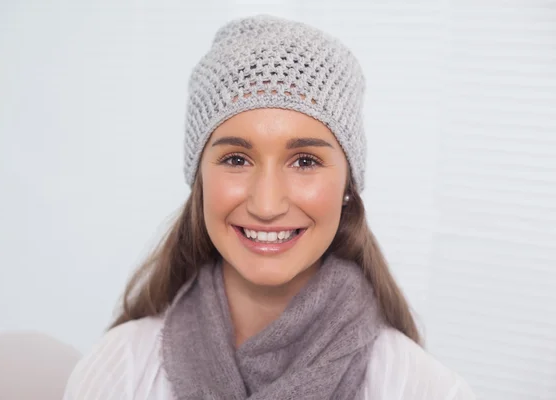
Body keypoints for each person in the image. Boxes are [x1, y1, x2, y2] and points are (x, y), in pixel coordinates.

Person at [63, 14, 475, 400]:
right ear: (200, 181)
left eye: (305, 161)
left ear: (348, 184)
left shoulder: (419, 387)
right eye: (237, 160)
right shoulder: (121, 369)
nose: (266, 203)